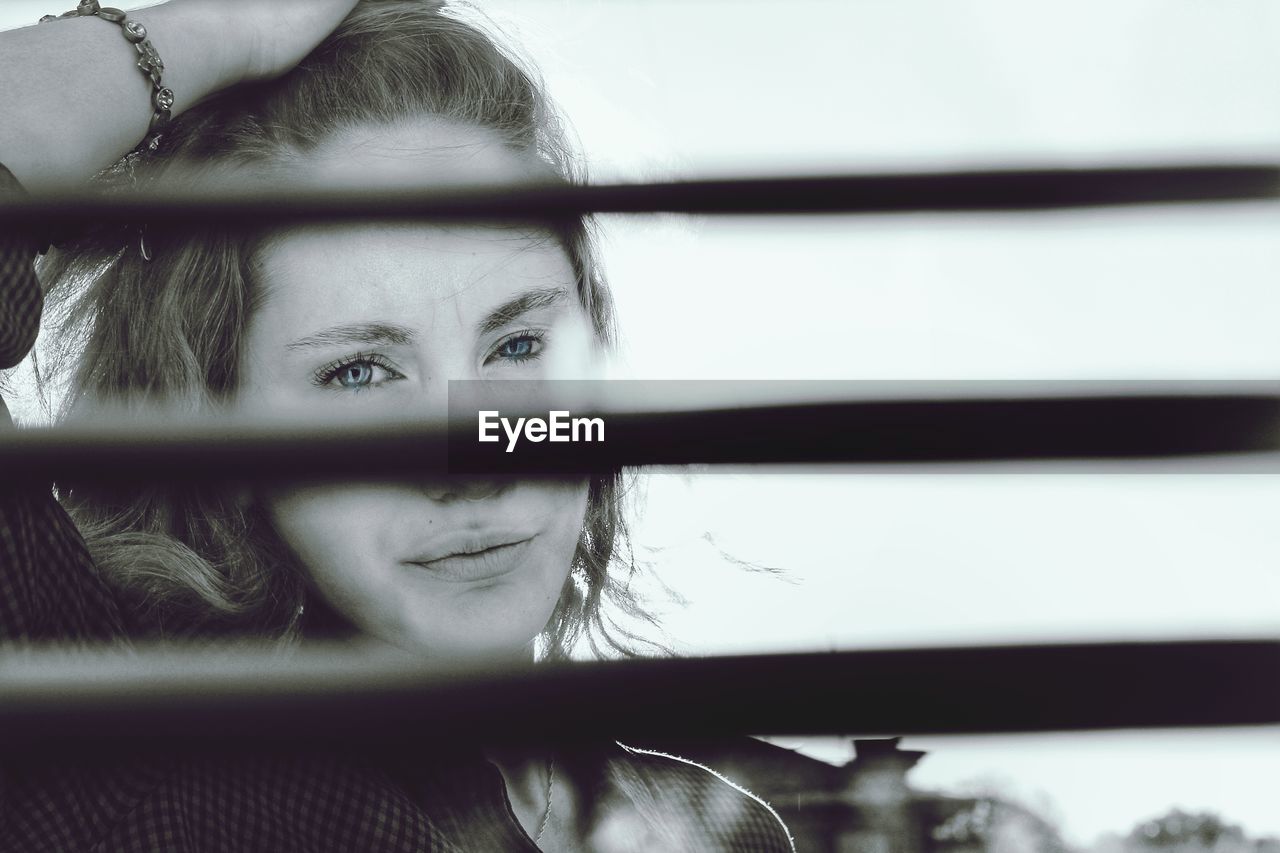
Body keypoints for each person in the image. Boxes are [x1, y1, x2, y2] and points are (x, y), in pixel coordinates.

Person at [0, 1, 796, 850]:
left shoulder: (722, 828)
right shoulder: (145, 787)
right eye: (360, 372)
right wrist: (231, 29)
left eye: (518, 344)